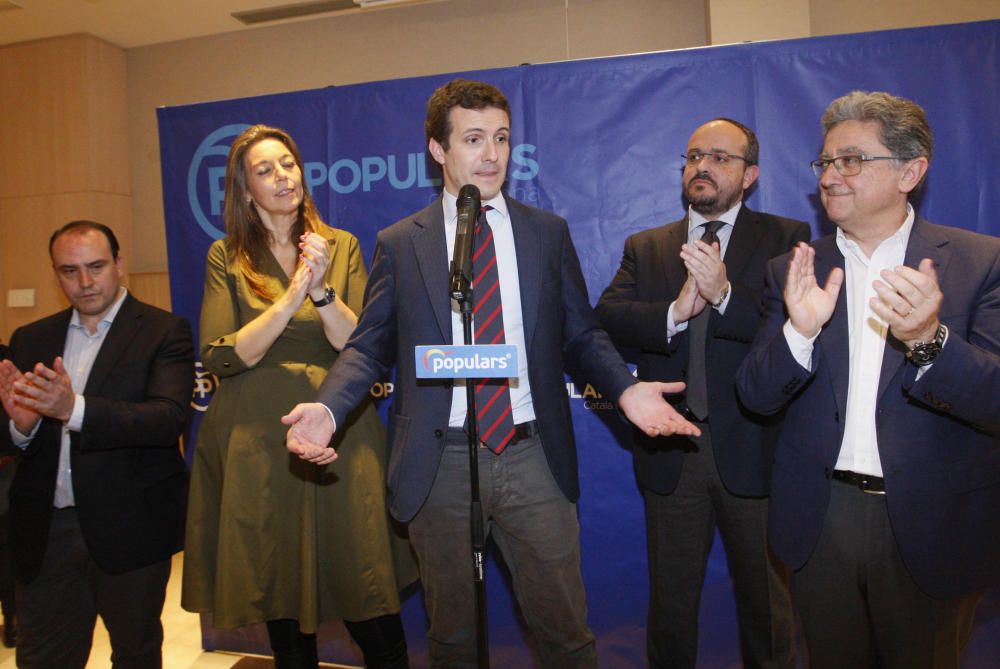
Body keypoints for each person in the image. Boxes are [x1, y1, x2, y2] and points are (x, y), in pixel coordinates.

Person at [281, 78, 699, 668]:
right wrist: (326, 409)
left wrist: (626, 392)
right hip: (438, 462)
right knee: (452, 637)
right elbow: (369, 346)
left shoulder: (544, 232)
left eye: (501, 138)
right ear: (438, 150)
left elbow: (580, 334)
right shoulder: (402, 243)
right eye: (474, 139)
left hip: (531, 456)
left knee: (565, 633)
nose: (492, 154)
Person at [736, 91, 1000, 668]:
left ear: (911, 171)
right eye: (825, 162)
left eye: (851, 160)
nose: (831, 177)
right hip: (820, 519)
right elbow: (754, 394)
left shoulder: (981, 263)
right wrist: (799, 333)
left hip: (932, 525)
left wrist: (930, 339)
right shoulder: (795, 270)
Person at [181, 125, 416, 669]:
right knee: (282, 608)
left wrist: (320, 288)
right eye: (265, 170)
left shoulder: (343, 246)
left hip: (340, 439)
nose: (282, 176)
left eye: (287, 164)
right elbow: (222, 355)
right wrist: (290, 296)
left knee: (369, 597)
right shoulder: (227, 257)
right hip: (258, 447)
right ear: (244, 191)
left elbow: (359, 343)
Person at [595, 118, 808, 668]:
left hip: (755, 448)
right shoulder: (648, 247)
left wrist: (724, 294)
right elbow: (608, 319)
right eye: (693, 156)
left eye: (719, 157)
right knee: (671, 604)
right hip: (673, 450)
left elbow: (792, 326)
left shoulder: (786, 238)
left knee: (767, 605)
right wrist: (674, 312)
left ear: (751, 173)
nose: (702, 167)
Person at [0, 221, 194, 668]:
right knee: (44, 658)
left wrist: (74, 409)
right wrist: (22, 428)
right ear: (55, 273)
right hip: (46, 532)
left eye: (96, 266)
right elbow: (13, 428)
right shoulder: (31, 337)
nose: (84, 282)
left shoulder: (163, 331)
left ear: (119, 264)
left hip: (131, 527)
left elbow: (166, 420)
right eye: (69, 271)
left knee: (135, 655)